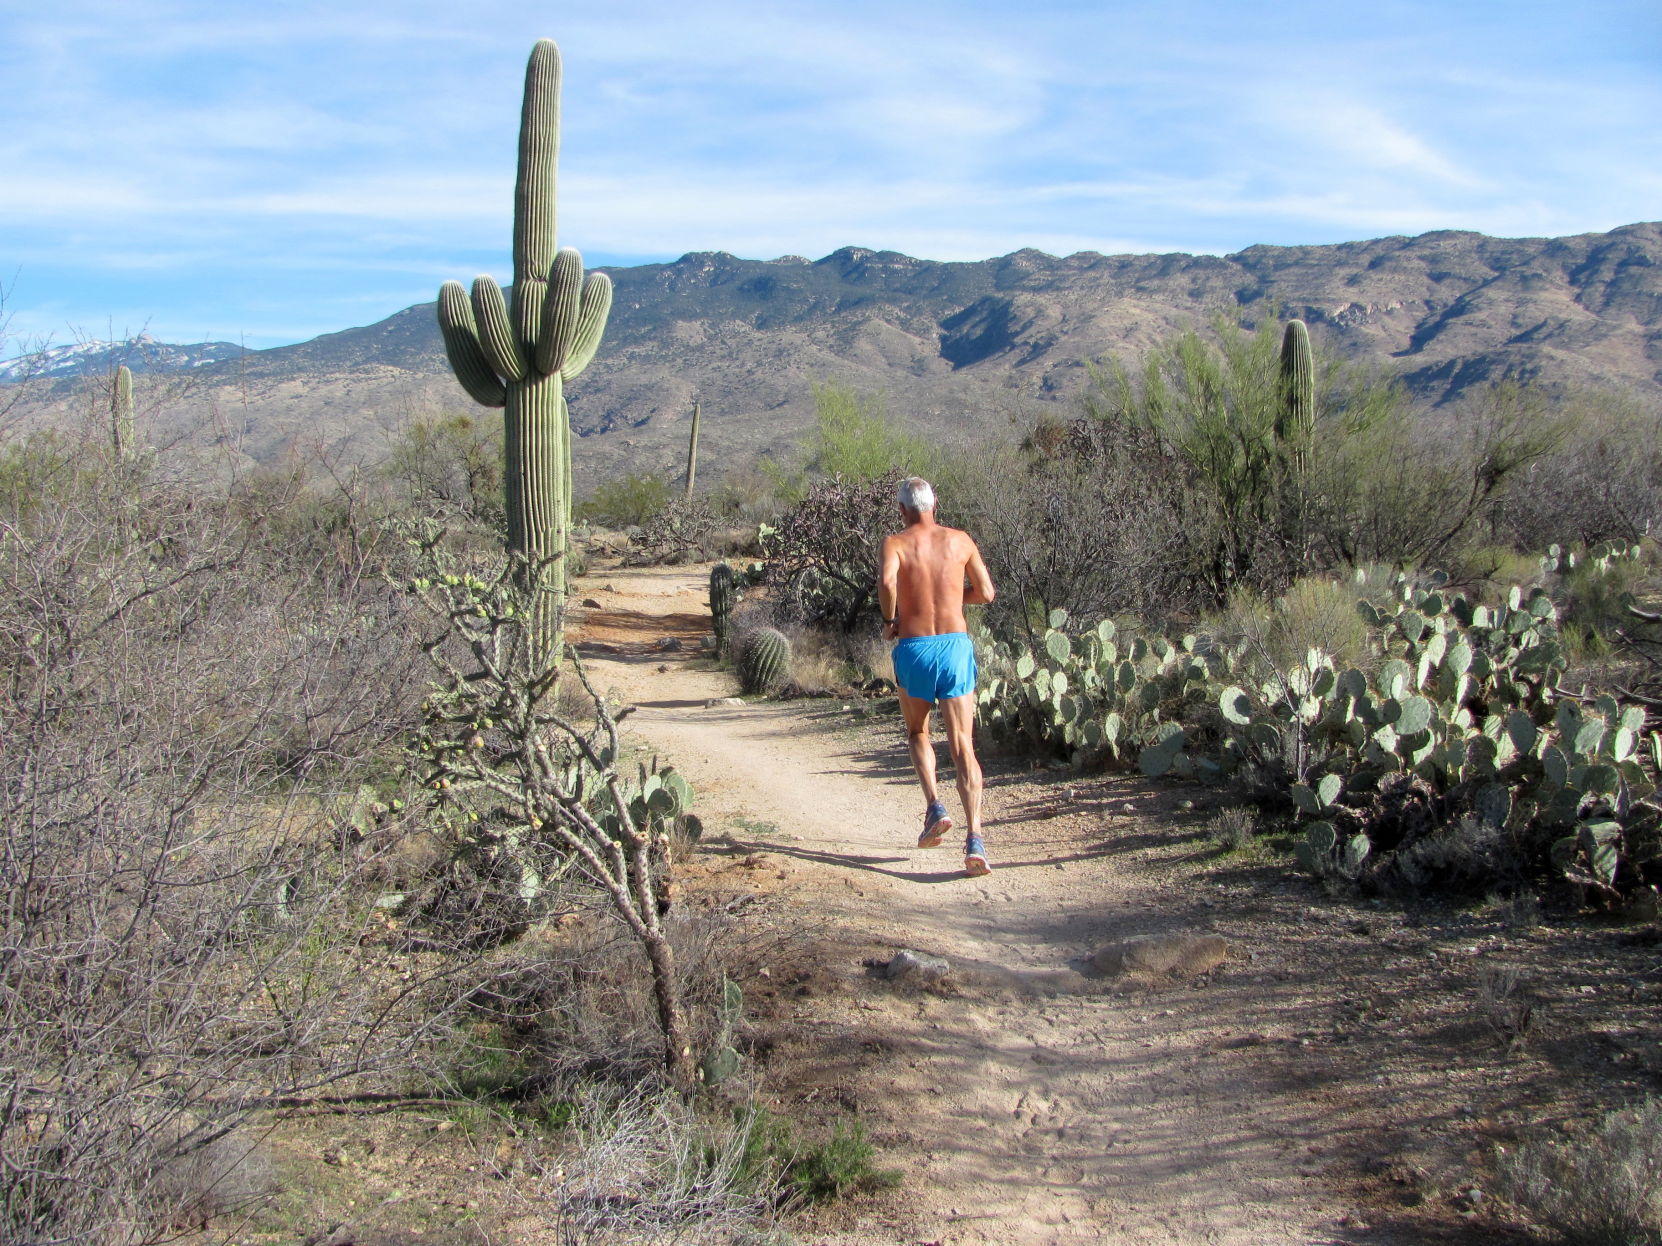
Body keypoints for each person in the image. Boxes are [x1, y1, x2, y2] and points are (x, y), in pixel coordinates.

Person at [877, 476, 997, 877]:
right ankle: (975, 839)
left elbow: (888, 582)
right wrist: (953, 597)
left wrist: (891, 618)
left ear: (901, 510)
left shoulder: (894, 543)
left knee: (917, 733)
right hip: (955, 648)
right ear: (936, 504)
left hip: (914, 649)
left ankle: (934, 806)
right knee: (963, 744)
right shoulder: (960, 540)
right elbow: (986, 592)